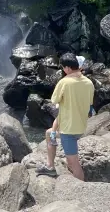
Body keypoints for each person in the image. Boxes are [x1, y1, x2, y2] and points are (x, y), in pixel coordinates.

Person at [37, 52, 95, 181]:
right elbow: (89, 105)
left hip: (68, 130)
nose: (63, 70)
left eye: (63, 67)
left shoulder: (64, 82)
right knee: (49, 133)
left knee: (73, 163)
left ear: (67, 68)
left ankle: (81, 188)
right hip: (79, 126)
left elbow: (54, 100)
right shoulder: (89, 83)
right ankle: (50, 166)